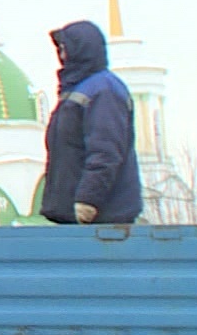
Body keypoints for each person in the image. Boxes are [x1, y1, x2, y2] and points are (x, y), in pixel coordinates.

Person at [40, 20, 143, 225]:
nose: (62, 56)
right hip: (77, 216)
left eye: (65, 49)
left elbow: (106, 151)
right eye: (60, 50)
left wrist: (88, 200)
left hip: (103, 218)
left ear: (81, 49)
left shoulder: (103, 90)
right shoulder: (77, 90)